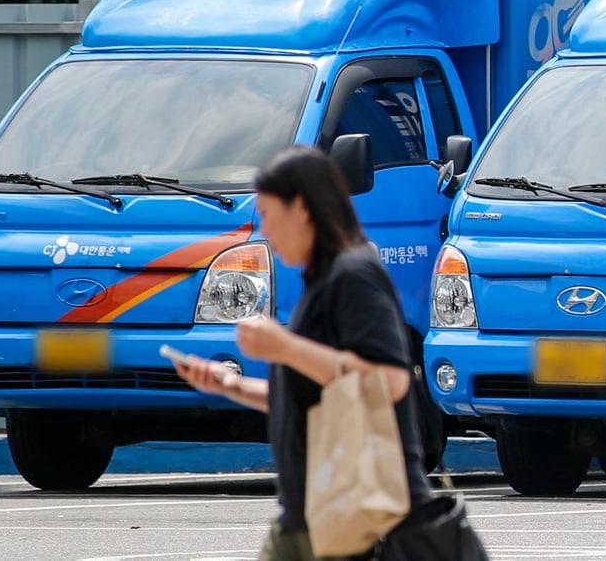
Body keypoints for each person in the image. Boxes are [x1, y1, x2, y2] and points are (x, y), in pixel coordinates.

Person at [173, 146, 431, 560]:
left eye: (270, 215)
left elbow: (390, 381)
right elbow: (316, 398)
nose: (266, 231)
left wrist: (284, 345)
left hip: (355, 520)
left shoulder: (354, 274)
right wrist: (232, 386)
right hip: (315, 516)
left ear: (303, 210)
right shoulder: (325, 278)